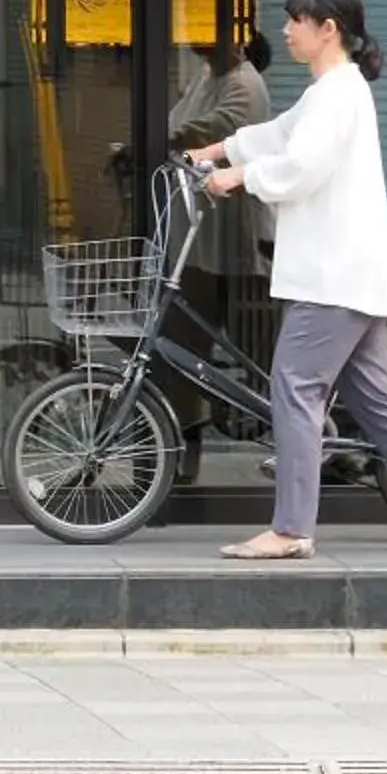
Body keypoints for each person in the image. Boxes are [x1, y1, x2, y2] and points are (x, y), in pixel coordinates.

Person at [188, 0, 387, 559]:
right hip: (352, 275)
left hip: (335, 277)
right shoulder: (331, 91)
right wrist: (216, 151)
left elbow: (301, 166)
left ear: (329, 30)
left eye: (296, 20)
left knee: (295, 386)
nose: (285, 30)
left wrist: (236, 176)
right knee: (374, 398)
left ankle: (291, 529)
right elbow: (280, 133)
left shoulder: (339, 94)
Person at [158, 27, 272, 485]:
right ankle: (183, 453)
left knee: (256, 354)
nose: (191, 36)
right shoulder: (206, 77)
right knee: (187, 346)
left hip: (233, 244)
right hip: (202, 238)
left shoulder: (244, 85)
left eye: (203, 24)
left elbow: (205, 131)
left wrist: (154, 140)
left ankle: (186, 453)